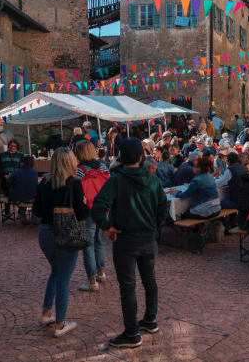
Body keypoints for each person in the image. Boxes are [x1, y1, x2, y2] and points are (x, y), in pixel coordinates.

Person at [91, 137, 168, 348]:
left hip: (126, 240)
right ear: (142, 157)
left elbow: (97, 207)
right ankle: (150, 320)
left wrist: (107, 227)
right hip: (147, 238)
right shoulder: (153, 179)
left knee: (129, 286)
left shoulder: (117, 179)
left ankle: (132, 332)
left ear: (121, 157)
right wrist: (153, 226)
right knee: (149, 280)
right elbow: (163, 209)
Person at [34, 147, 89, 337]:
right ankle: (59, 324)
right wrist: (83, 201)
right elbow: (82, 214)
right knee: (63, 278)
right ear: (71, 162)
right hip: (66, 233)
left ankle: (47, 312)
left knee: (56, 272)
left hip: (46, 232)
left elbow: (37, 211)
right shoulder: (74, 183)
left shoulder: (44, 182)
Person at [74, 141, 110, 292]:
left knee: (88, 244)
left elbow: (77, 191)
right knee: (99, 241)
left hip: (88, 209)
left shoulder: (80, 170)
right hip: (103, 209)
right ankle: (101, 272)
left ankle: (92, 281)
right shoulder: (103, 166)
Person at [6, 155, 39, 225]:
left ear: (23, 163)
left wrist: (10, 178)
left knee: (20, 193)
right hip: (33, 198)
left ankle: (23, 216)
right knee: (33, 194)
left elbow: (8, 183)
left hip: (18, 198)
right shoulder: (35, 172)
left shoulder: (16, 171)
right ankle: (34, 216)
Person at [0, 139, 23, 210]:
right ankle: (7, 209)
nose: (12, 147)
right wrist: (4, 175)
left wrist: (16, 175)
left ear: (17, 147)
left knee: (18, 195)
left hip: (17, 179)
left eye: (14, 146)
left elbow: (22, 167)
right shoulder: (2, 155)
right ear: (8, 146)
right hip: (5, 178)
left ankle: (20, 212)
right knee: (7, 195)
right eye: (11, 145)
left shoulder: (20, 155)